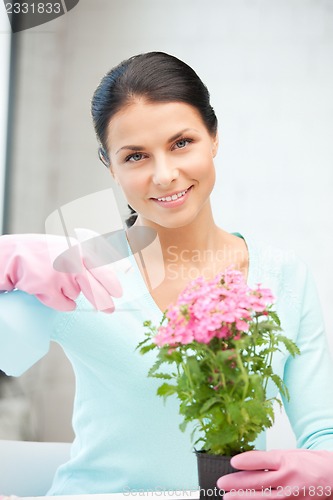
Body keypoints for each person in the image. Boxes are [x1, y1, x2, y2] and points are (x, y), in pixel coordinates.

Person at [1, 52, 333, 498]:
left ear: (213, 137)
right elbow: (9, 354)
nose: (164, 175)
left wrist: (323, 473)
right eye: (135, 156)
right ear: (109, 165)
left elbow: (323, 434)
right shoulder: (79, 271)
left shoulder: (284, 277)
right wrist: (5, 265)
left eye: (182, 143)